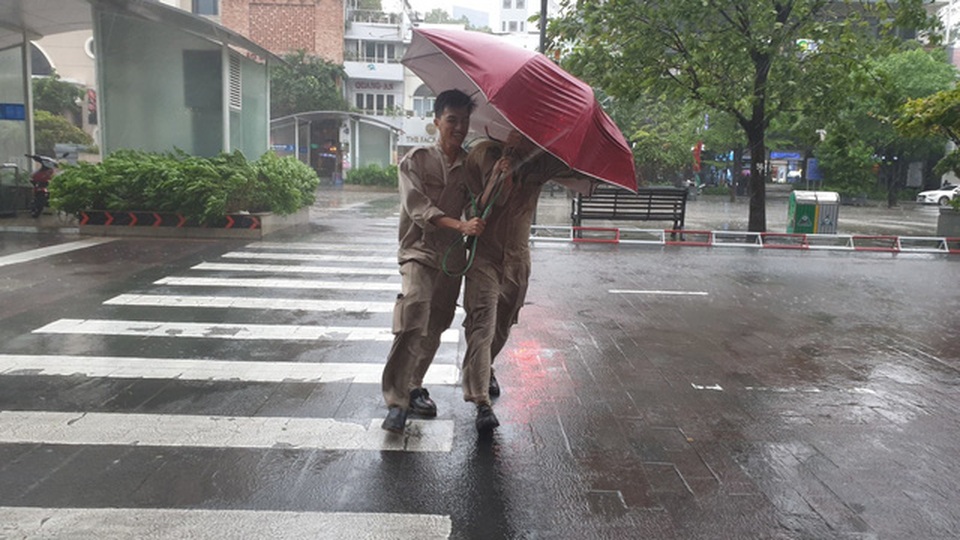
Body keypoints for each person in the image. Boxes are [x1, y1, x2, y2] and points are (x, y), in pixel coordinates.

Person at [380, 89, 485, 434]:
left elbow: (478, 206)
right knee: (413, 315)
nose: (459, 127)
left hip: (452, 258)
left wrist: (498, 175)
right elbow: (417, 207)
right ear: (436, 121)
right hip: (419, 252)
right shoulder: (416, 159)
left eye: (464, 121)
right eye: (452, 120)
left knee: (436, 325)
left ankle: (413, 386)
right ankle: (396, 402)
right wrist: (460, 224)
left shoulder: (471, 166)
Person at [461, 130, 574, 433]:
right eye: (515, 136)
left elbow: (570, 165)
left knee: (503, 325)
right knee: (482, 325)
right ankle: (481, 401)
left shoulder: (542, 163)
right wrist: (497, 179)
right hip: (485, 257)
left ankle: (485, 369)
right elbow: (473, 209)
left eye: (526, 138)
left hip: (517, 260)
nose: (518, 143)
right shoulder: (483, 157)